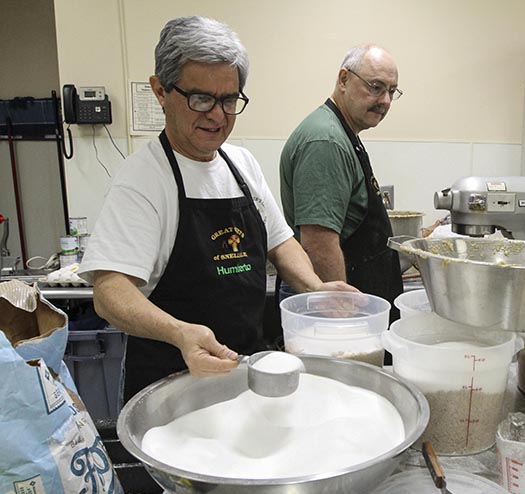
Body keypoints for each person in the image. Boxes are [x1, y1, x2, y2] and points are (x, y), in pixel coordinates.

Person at [78, 16, 356, 401]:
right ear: (160, 91)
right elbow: (109, 293)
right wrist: (180, 332)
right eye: (201, 99)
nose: (217, 115)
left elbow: (282, 241)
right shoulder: (144, 178)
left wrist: (316, 289)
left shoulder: (240, 163)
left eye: (228, 100)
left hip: (245, 374)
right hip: (173, 388)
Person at [278, 44, 404, 316]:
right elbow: (318, 243)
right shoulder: (326, 140)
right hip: (333, 304)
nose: (385, 100)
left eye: (391, 91)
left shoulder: (344, 133)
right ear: (344, 79)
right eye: (375, 86)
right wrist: (343, 317)